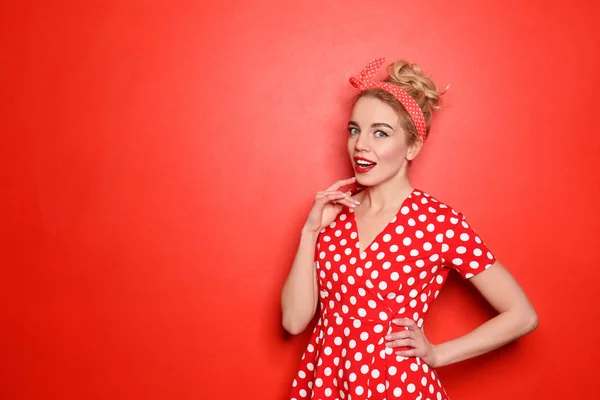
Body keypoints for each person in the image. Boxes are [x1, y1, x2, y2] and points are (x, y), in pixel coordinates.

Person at [280, 58, 538, 400]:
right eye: (355, 129)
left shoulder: (440, 223)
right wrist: (309, 231)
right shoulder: (332, 216)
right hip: (328, 384)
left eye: (381, 133)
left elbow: (522, 315)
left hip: (397, 387)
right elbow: (294, 323)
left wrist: (439, 354)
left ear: (413, 147)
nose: (360, 145)